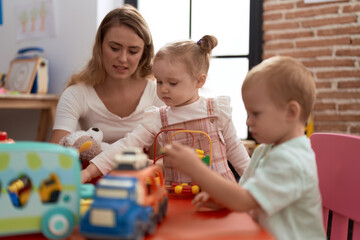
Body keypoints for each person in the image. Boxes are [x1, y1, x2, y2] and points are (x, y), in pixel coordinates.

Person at [163, 56, 326, 239]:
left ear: (291, 112)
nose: (248, 122)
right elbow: (245, 194)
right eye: (248, 113)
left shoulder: (292, 160)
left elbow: (244, 200)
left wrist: (196, 168)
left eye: (256, 113)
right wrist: (224, 199)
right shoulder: (264, 150)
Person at [81, 35, 250, 184]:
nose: (163, 89)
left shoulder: (217, 111)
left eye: (172, 83)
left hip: (221, 197)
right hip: (177, 199)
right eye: (159, 82)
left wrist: (256, 188)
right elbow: (126, 145)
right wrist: (89, 171)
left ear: (199, 81)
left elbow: (236, 151)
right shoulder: (158, 118)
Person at [50, 6, 163, 147]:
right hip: (91, 169)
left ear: (144, 54)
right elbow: (57, 152)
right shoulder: (76, 94)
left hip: (145, 168)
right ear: (100, 45)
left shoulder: (158, 92)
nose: (123, 58)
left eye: (133, 51)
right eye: (114, 48)